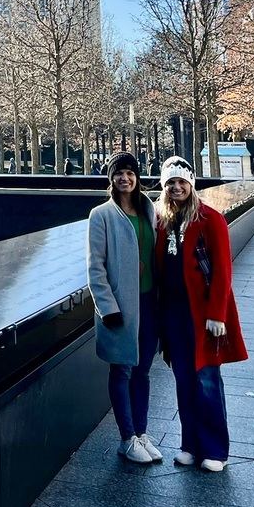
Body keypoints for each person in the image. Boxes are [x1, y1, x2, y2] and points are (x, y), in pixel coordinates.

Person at [154, 156, 247, 472]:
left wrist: (217, 314)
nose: (176, 187)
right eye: (171, 182)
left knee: (206, 378)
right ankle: (190, 445)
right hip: (174, 314)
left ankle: (215, 450)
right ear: (165, 187)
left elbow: (222, 270)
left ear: (191, 185)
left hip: (203, 313)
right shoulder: (162, 221)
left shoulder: (210, 219)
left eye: (181, 181)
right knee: (183, 379)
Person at [86, 151, 162, 465]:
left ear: (137, 177)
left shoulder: (151, 211)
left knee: (143, 371)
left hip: (149, 303)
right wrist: (108, 307)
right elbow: (95, 268)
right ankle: (126, 438)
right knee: (121, 370)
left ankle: (141, 434)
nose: (125, 178)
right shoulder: (100, 215)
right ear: (111, 179)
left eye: (130, 173)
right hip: (120, 308)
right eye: (119, 174)